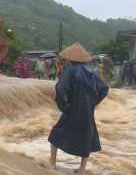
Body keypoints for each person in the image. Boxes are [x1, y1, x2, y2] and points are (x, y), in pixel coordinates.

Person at [48, 43, 109, 175]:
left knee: (56, 134)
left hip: (73, 107)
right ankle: (82, 170)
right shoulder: (92, 71)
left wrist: (63, 106)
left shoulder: (70, 70)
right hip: (87, 110)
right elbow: (104, 89)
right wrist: (94, 103)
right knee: (86, 137)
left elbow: (60, 89)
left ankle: (52, 163)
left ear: (70, 59)